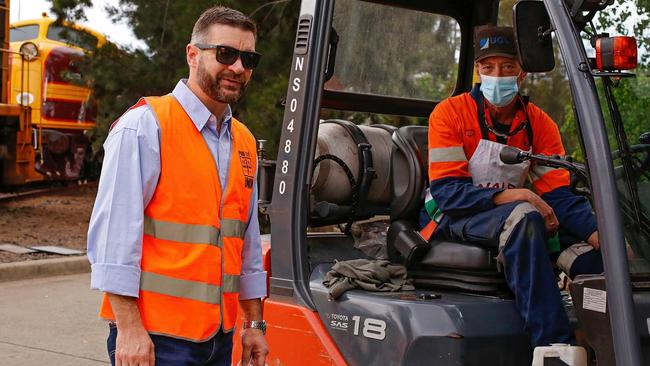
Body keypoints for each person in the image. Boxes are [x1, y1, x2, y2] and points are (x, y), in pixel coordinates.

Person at [87, 6, 268, 366]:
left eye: (248, 58)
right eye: (226, 54)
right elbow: (114, 241)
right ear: (192, 54)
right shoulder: (144, 127)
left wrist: (254, 323)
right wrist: (129, 329)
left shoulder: (244, 142)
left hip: (219, 338)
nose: (237, 67)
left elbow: (245, 244)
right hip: (155, 339)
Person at [425, 26, 604, 347]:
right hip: (454, 215)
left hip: (512, 216)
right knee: (524, 218)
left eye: (508, 66)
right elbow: (448, 192)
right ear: (478, 71)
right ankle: (555, 346)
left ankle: (606, 340)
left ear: (522, 72)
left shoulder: (539, 123)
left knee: (597, 257)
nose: (498, 75)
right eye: (489, 67)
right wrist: (518, 194)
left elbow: (558, 196)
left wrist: (597, 232)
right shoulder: (449, 114)